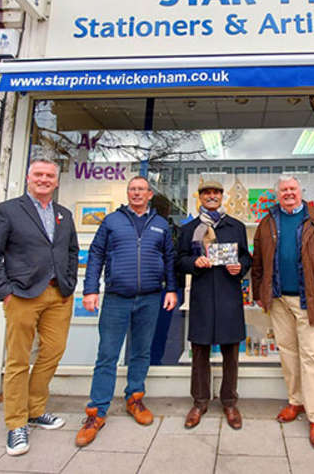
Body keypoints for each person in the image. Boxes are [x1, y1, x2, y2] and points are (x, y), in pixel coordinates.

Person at [0, 157, 79, 456]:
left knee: (53, 352)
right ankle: (16, 424)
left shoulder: (63, 214)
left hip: (58, 295)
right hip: (22, 295)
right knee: (18, 361)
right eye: (39, 174)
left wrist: (70, 283)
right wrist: (5, 292)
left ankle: (35, 410)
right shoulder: (8, 211)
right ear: (28, 178)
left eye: (49, 175)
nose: (44, 179)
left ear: (56, 181)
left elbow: (72, 250)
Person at [75, 176, 178, 447]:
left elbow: (169, 258)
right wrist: (90, 290)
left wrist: (171, 289)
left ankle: (134, 398)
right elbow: (96, 254)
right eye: (133, 189)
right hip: (116, 298)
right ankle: (96, 412)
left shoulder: (160, 224)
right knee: (107, 354)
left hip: (151, 298)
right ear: (128, 192)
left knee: (141, 352)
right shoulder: (111, 221)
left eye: (141, 190)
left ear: (149, 194)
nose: (136, 193)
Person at [251, 175, 314, 449]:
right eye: (283, 190)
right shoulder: (268, 222)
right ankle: (296, 401)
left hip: (310, 299)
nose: (288, 193)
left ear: (300, 191)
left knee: (312, 357)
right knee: (288, 353)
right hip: (279, 299)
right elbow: (258, 262)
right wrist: (260, 293)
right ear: (277, 194)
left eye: (292, 189)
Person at [176, 180, 252, 430]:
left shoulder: (236, 226)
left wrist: (240, 267)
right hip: (202, 296)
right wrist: (193, 263)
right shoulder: (189, 229)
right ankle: (199, 402)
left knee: (231, 351)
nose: (211, 196)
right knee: (200, 351)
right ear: (200, 197)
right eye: (206, 193)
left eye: (216, 193)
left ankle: (230, 402)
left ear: (222, 197)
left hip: (229, 295)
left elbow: (245, 257)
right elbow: (180, 260)